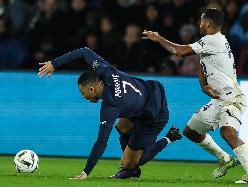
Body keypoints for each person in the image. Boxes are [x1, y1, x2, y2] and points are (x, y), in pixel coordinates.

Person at [142, 8, 248, 184]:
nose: (199, 24)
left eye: (201, 21)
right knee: (191, 131)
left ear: (207, 23)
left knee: (227, 132)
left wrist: (158, 38)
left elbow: (179, 52)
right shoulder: (212, 42)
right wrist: (204, 85)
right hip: (218, 99)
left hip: (231, 98)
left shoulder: (213, 40)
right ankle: (225, 159)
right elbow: (203, 65)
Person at [38, 47, 182, 180]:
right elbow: (84, 51)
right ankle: (132, 157)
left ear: (92, 90)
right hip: (150, 91)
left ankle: (167, 139)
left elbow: (101, 142)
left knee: (128, 163)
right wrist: (54, 63)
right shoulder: (106, 70)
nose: (83, 97)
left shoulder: (111, 106)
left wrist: (85, 172)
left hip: (154, 114)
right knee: (122, 127)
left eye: (83, 93)